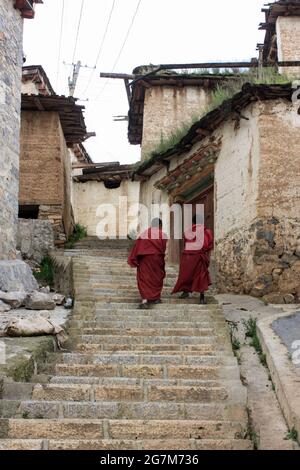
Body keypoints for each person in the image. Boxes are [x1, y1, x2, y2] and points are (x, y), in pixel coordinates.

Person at [172, 214, 214, 304]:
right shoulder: (207, 232)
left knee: (187, 274)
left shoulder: (188, 231)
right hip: (200, 255)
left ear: (193, 222)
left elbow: (186, 243)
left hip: (188, 256)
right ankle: (202, 298)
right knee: (201, 276)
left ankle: (185, 292)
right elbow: (208, 246)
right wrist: (207, 256)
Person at [128, 218, 168, 309]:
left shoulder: (144, 234)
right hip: (157, 259)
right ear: (160, 226)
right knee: (157, 277)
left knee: (144, 278)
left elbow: (137, 247)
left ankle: (145, 300)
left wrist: (135, 258)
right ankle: (156, 297)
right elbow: (163, 248)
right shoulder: (163, 235)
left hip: (145, 259)